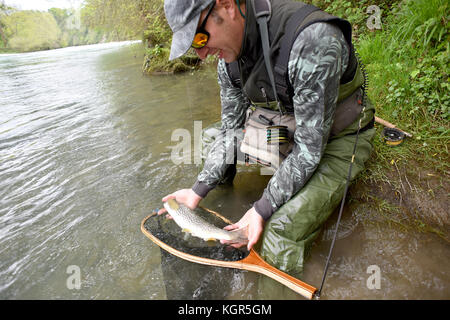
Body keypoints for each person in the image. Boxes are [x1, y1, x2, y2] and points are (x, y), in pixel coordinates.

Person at [159, 0, 375, 279]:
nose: (201, 53)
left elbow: (309, 151)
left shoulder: (312, 40)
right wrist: (198, 190)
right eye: (193, 45)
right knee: (210, 139)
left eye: (200, 37)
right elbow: (230, 131)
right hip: (286, 131)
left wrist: (261, 209)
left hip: (336, 139)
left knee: (276, 232)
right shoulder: (228, 63)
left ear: (226, 6)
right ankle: (232, 204)